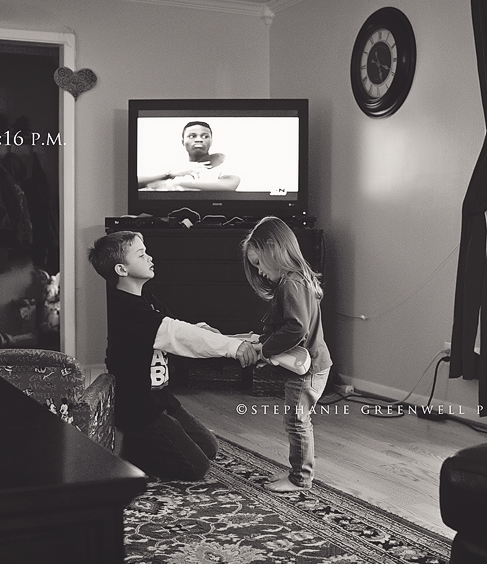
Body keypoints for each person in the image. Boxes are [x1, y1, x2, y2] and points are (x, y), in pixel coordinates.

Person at [88, 230, 258, 480]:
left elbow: (172, 328)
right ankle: (133, 452)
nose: (150, 257)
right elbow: (173, 333)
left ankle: (154, 441)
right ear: (122, 270)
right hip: (140, 411)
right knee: (196, 467)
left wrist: (211, 333)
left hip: (162, 400)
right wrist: (233, 348)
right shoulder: (126, 311)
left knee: (210, 448)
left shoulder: (146, 299)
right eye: (141, 254)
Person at [241, 216, 332, 492]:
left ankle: (300, 478)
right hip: (311, 365)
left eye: (258, 263)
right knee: (296, 419)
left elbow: (297, 327)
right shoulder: (295, 281)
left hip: (309, 369)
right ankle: (297, 473)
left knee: (296, 420)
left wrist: (266, 350)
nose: (258, 272)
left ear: (273, 248)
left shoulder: (291, 283)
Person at [138, 121, 241, 191]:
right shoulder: (172, 167)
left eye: (205, 136)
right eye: (192, 136)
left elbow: (230, 185)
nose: (199, 139)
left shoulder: (222, 164)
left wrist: (179, 183)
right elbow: (135, 183)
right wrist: (169, 175)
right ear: (183, 142)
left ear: (211, 141)